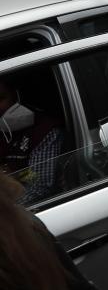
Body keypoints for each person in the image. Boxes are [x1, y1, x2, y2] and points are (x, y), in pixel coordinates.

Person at [0, 78, 64, 206]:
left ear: (16, 96)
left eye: (0, 98)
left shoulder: (43, 130)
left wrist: (16, 174)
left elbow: (39, 184)